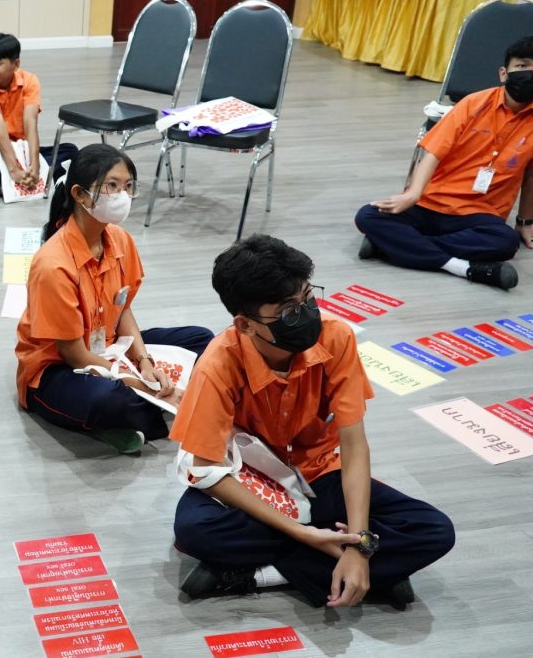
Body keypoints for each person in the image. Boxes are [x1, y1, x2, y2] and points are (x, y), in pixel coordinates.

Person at [170, 234, 455, 608]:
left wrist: (360, 544)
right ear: (245, 324)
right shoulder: (217, 365)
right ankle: (370, 572)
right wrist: (305, 536)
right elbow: (206, 469)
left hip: (321, 475)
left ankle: (264, 576)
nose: (305, 314)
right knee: (195, 529)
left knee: (434, 529)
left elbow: (354, 445)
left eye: (308, 298)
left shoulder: (336, 338)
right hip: (255, 480)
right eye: (288, 309)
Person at [16, 144, 213, 453]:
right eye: (112, 186)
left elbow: (123, 311)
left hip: (109, 347)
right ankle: (150, 410)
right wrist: (136, 379)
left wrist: (145, 362)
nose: (122, 195)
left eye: (128, 186)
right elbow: (75, 355)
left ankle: (137, 415)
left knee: (202, 339)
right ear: (80, 195)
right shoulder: (53, 264)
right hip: (58, 368)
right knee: (107, 399)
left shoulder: (120, 240)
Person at [355, 35, 533, 290]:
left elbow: (531, 177)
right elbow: (433, 153)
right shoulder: (473, 104)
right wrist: (412, 195)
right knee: (368, 216)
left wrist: (525, 223)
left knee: (505, 242)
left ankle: (390, 246)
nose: (529, 73)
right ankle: (463, 268)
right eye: (523, 66)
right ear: (504, 73)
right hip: (431, 202)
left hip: (479, 214)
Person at [0, 32, 78, 201]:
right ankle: (29, 179)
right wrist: (13, 169)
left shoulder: (30, 81)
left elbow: (30, 123)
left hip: (20, 149)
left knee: (71, 151)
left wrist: (35, 164)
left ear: (16, 64)